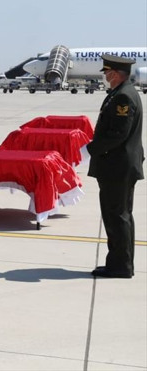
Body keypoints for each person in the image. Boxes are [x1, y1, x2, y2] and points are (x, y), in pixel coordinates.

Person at [86, 54, 144, 279]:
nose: (106, 76)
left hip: (117, 167)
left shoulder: (123, 97)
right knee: (120, 216)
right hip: (118, 166)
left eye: (108, 72)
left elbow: (117, 134)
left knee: (116, 216)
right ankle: (120, 263)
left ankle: (120, 266)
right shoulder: (120, 94)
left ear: (116, 73)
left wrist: (90, 149)